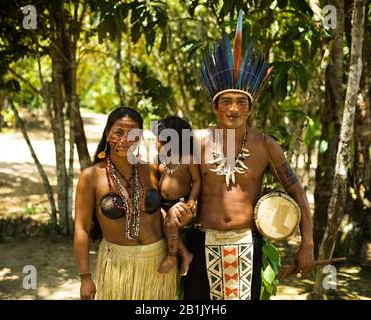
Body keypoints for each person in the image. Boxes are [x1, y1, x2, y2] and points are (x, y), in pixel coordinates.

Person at [184, 10, 314, 300]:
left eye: (241, 102)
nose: (233, 109)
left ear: (250, 109)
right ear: (215, 107)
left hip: (247, 245)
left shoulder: (266, 146)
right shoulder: (197, 141)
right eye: (226, 102)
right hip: (201, 242)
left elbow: (297, 192)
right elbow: (174, 189)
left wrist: (307, 244)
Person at [73, 107, 192, 300]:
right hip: (118, 266)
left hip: (158, 263)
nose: (125, 140)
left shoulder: (151, 170)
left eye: (133, 134)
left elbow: (168, 210)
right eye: (118, 132)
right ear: (108, 133)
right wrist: (85, 277)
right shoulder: (91, 177)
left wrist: (183, 217)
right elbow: (82, 228)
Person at [155, 116, 201, 276]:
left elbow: (196, 181)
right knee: (157, 218)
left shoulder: (188, 160)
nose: (156, 144)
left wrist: (192, 199)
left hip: (181, 203)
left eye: (158, 140)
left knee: (169, 225)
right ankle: (184, 253)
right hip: (163, 203)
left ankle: (174, 256)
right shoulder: (161, 161)